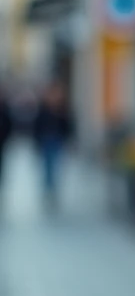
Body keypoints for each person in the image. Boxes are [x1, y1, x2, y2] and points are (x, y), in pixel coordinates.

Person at [32, 80, 73, 209]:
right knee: (47, 167)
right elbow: (37, 126)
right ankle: (48, 189)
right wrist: (37, 141)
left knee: (56, 166)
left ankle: (53, 188)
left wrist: (69, 139)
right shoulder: (43, 109)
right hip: (46, 140)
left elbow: (68, 126)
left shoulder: (63, 109)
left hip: (58, 141)